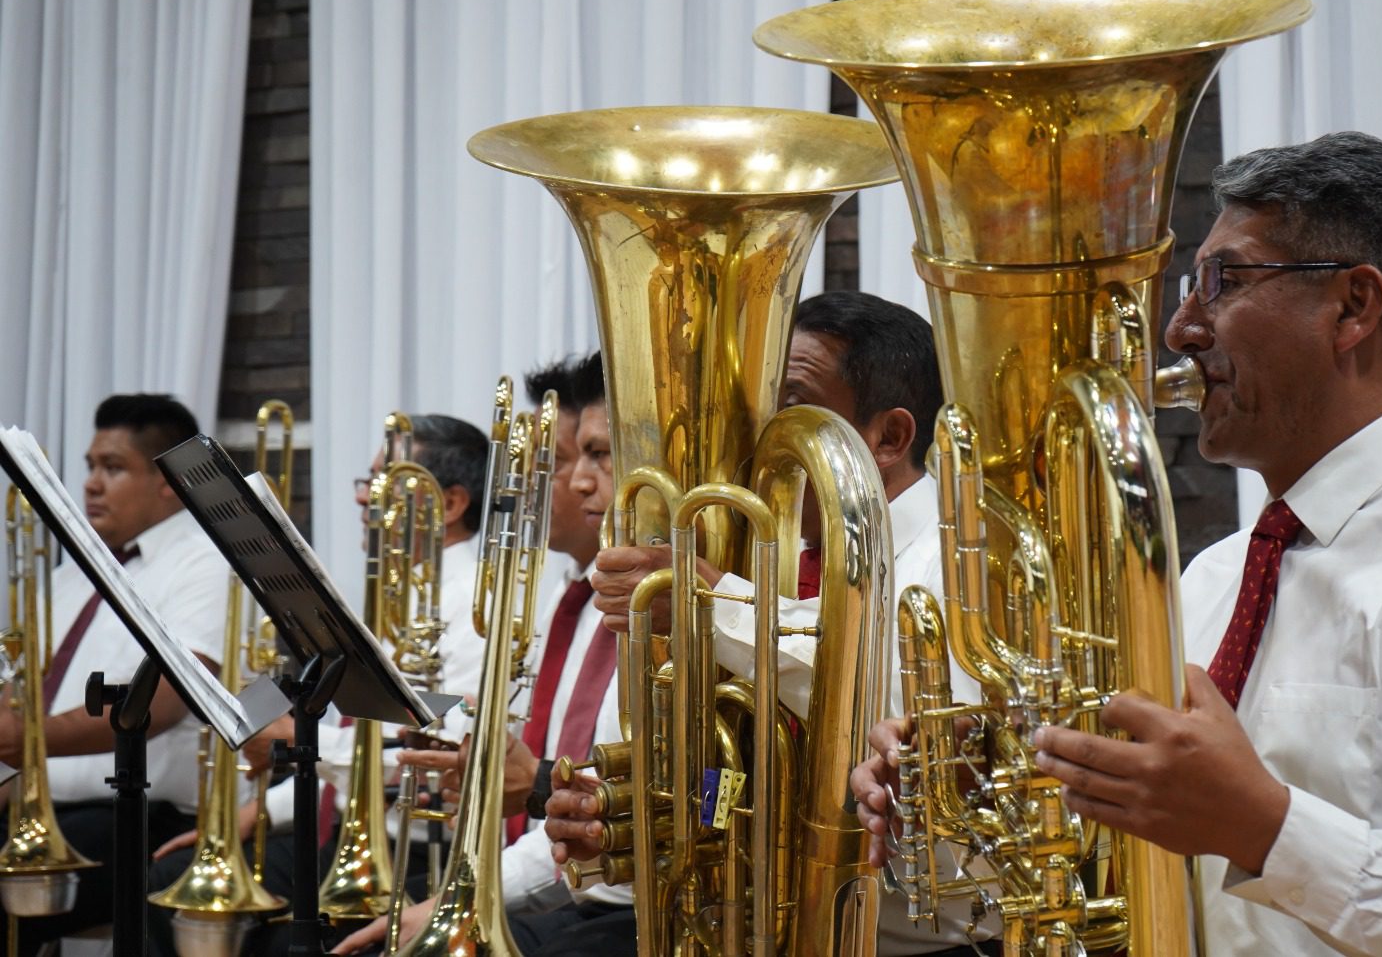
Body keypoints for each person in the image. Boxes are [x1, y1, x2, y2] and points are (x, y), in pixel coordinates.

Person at [853, 132, 1382, 955]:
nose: (1179, 329)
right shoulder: (1215, 576)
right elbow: (1102, 886)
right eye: (1189, 286)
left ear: (1353, 307)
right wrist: (971, 804)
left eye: (1223, 282)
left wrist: (1264, 827)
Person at [543, 291, 990, 956]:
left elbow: (906, 729)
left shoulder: (962, 557)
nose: (754, 436)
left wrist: (716, 607)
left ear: (889, 437)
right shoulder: (765, 572)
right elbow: (727, 773)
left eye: (789, 404)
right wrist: (632, 812)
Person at [146, 413, 492, 957]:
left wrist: (297, 745)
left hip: (422, 852)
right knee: (170, 883)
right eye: (366, 481)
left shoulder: (474, 607)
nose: (363, 499)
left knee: (287, 939)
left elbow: (438, 751)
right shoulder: (394, 594)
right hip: (351, 834)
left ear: (449, 505)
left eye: (386, 482)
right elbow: (357, 741)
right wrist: (259, 810)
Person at [333, 352, 624, 955]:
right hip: (541, 868)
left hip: (596, 892)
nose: (561, 485)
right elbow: (512, 739)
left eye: (566, 461)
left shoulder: (490, 596)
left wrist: (463, 893)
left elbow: (565, 785)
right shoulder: (557, 602)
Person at [1, 394, 230, 952]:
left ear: (170, 481)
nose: (92, 484)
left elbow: (164, 701)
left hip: (143, 817)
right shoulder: (78, 570)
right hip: (42, 808)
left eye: (114, 468)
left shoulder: (207, 559)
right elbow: (22, 681)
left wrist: (24, 742)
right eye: (90, 466)